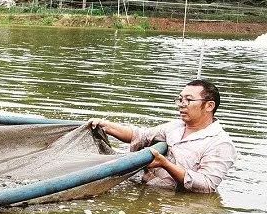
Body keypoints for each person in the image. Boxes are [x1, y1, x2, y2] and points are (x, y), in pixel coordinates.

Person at [89, 79, 236, 193]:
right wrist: (105, 125)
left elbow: (207, 185)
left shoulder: (220, 143)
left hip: (179, 203)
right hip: (147, 187)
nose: (181, 104)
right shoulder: (174, 126)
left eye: (189, 100)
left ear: (209, 106)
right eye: (180, 99)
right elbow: (141, 135)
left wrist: (165, 164)